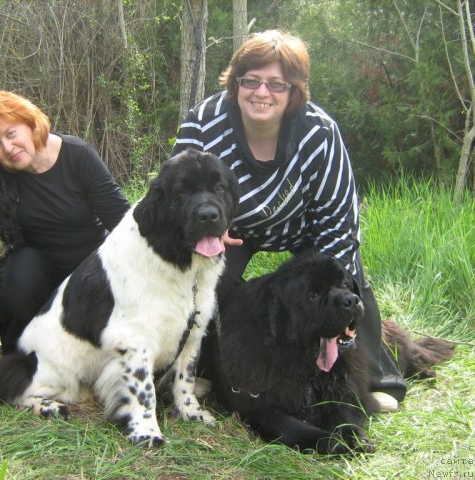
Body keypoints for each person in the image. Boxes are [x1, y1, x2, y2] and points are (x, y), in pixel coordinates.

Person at [172, 30, 406, 411]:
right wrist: (205, 227)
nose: (261, 92)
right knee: (205, 282)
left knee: (345, 283)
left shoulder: (319, 132)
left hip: (306, 225)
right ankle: (205, 368)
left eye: (276, 84)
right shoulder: (204, 123)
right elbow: (179, 190)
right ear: (236, 82)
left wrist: (335, 282)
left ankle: (380, 378)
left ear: (293, 90)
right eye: (251, 80)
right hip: (234, 230)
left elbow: (338, 221)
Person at [0, 90, 131, 351]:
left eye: (11, 134)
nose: (8, 148)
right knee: (16, 283)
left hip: (88, 260)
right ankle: (20, 357)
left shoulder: (77, 155)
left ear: (31, 126)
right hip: (37, 262)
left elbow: (121, 218)